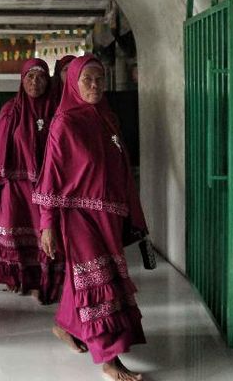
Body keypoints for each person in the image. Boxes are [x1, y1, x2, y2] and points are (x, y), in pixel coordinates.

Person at [34, 55, 148, 381]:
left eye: (99, 78)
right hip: (78, 217)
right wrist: (47, 225)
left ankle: (66, 324)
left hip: (108, 217)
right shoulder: (64, 123)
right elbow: (51, 178)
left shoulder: (108, 118)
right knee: (100, 282)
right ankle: (110, 359)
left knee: (87, 279)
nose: (95, 85)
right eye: (87, 80)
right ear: (73, 83)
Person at [0, 58, 63, 303]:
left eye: (40, 77)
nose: (35, 82)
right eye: (30, 77)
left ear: (48, 81)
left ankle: (42, 281)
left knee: (44, 235)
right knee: (16, 235)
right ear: (22, 80)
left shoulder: (56, 109)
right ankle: (17, 278)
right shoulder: (11, 110)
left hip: (47, 187)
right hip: (15, 188)